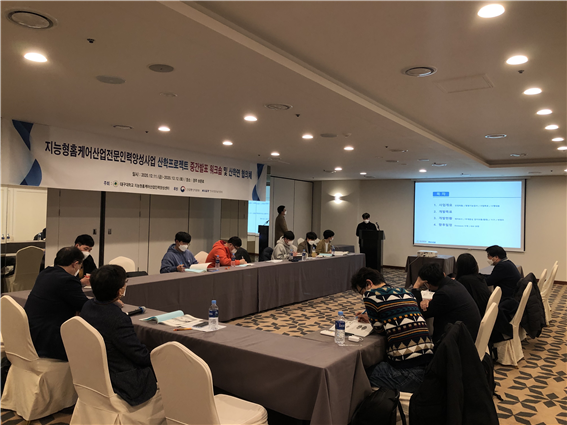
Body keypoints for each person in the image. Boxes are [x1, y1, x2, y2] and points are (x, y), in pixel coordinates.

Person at [80, 265, 158, 406]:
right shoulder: (118, 319)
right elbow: (140, 356)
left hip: (92, 372)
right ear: (119, 291)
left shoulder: (87, 306)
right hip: (120, 379)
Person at [351, 268, 434, 392]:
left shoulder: (370, 295)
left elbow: (380, 330)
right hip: (429, 366)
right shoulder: (406, 292)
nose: (363, 295)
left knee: (357, 375)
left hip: (408, 373)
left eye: (361, 292)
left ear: (369, 283)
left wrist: (373, 318)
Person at [24, 247, 89, 361]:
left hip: (31, 334)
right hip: (48, 341)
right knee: (90, 346)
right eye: (80, 266)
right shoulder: (68, 280)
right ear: (75, 264)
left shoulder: (45, 273)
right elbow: (85, 306)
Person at [412, 263, 481, 344]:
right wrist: (430, 301)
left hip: (461, 341)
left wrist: (416, 287)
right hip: (470, 332)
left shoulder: (444, 293)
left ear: (428, 284)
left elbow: (422, 313)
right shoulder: (453, 283)